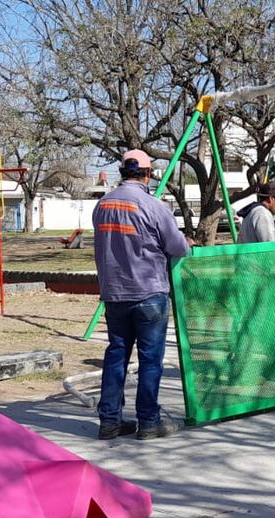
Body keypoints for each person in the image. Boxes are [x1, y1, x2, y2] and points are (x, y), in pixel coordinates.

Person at [93, 150, 191, 440]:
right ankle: (148, 422)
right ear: (148, 175)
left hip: (114, 294)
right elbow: (178, 248)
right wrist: (187, 242)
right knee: (150, 360)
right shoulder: (154, 206)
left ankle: (109, 422)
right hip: (149, 293)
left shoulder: (101, 205)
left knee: (116, 356)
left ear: (122, 172)